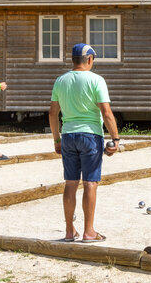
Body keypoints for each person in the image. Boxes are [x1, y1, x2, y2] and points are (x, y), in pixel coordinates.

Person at [49, 43, 120, 243]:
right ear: (89, 59)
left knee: (70, 183)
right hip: (90, 136)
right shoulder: (96, 80)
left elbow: (53, 113)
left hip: (68, 135)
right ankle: (89, 232)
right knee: (90, 183)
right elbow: (106, 112)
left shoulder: (60, 80)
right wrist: (115, 139)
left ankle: (69, 231)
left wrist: (56, 139)